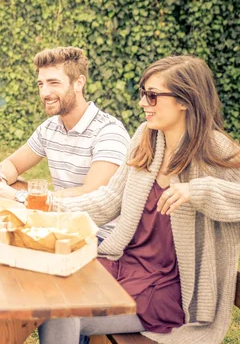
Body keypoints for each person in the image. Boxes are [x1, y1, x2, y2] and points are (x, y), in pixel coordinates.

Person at [38, 55, 240, 344]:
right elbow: (109, 200)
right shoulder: (147, 138)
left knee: (62, 310)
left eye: (153, 95)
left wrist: (200, 191)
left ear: (185, 100)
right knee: (52, 288)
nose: (143, 103)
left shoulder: (215, 150)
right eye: (143, 93)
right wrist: (50, 205)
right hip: (127, 265)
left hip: (168, 290)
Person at [0, 46, 130, 240]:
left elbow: (89, 195)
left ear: (78, 83)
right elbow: (12, 164)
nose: (45, 92)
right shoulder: (50, 128)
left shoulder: (109, 132)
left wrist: (21, 197)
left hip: (98, 236)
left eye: (53, 83)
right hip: (59, 224)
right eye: (41, 84)